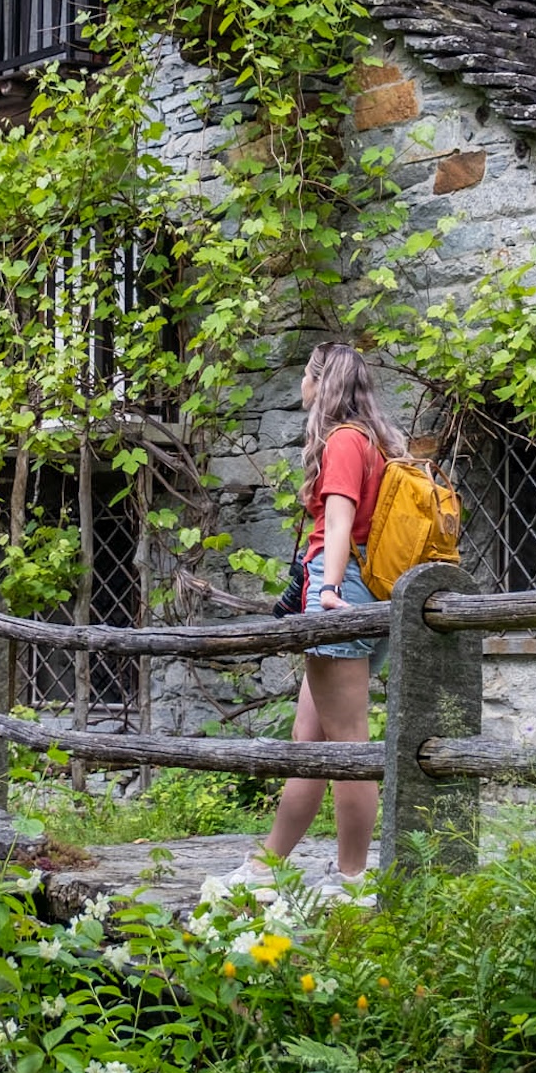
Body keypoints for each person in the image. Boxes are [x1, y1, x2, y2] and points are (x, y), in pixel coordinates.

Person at [229, 341, 407, 904]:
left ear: (318, 382)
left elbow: (339, 520)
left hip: (341, 591)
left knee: (349, 746)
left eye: (305, 375)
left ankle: (354, 879)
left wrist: (326, 591)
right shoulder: (374, 441)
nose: (300, 387)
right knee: (310, 743)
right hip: (362, 591)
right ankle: (266, 865)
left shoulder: (343, 442)